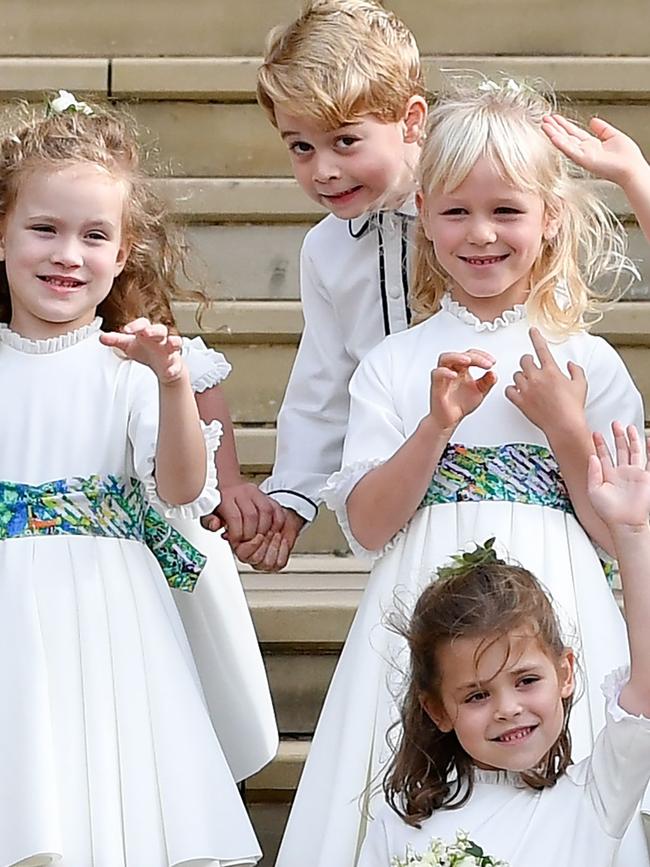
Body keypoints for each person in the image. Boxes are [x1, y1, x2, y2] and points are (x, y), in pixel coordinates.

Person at [279, 77, 646, 866]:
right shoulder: (394, 363)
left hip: (563, 600)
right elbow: (370, 526)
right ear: (425, 223)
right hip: (423, 599)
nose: (481, 234)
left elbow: (616, 536)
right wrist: (436, 426)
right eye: (456, 212)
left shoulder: (588, 360)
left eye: (507, 210)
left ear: (550, 222)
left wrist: (566, 427)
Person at [0, 97, 261, 864]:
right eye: (44, 228)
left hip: (105, 606)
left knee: (100, 783)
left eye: (93, 235)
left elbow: (181, 490)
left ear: (122, 254)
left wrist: (174, 382)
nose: (66, 253)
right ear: (2, 232)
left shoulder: (128, 370)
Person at [358, 423, 650, 866]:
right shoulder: (400, 825)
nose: (508, 708)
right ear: (437, 709)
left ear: (565, 673)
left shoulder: (595, 797)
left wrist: (631, 535)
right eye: (477, 694)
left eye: (527, 679)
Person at [243, 0, 427, 570]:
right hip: (390, 483)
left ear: (411, 121)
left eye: (345, 141)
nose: (322, 170)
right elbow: (323, 381)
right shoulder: (325, 249)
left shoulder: (478, 224)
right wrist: (293, 495)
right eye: (301, 146)